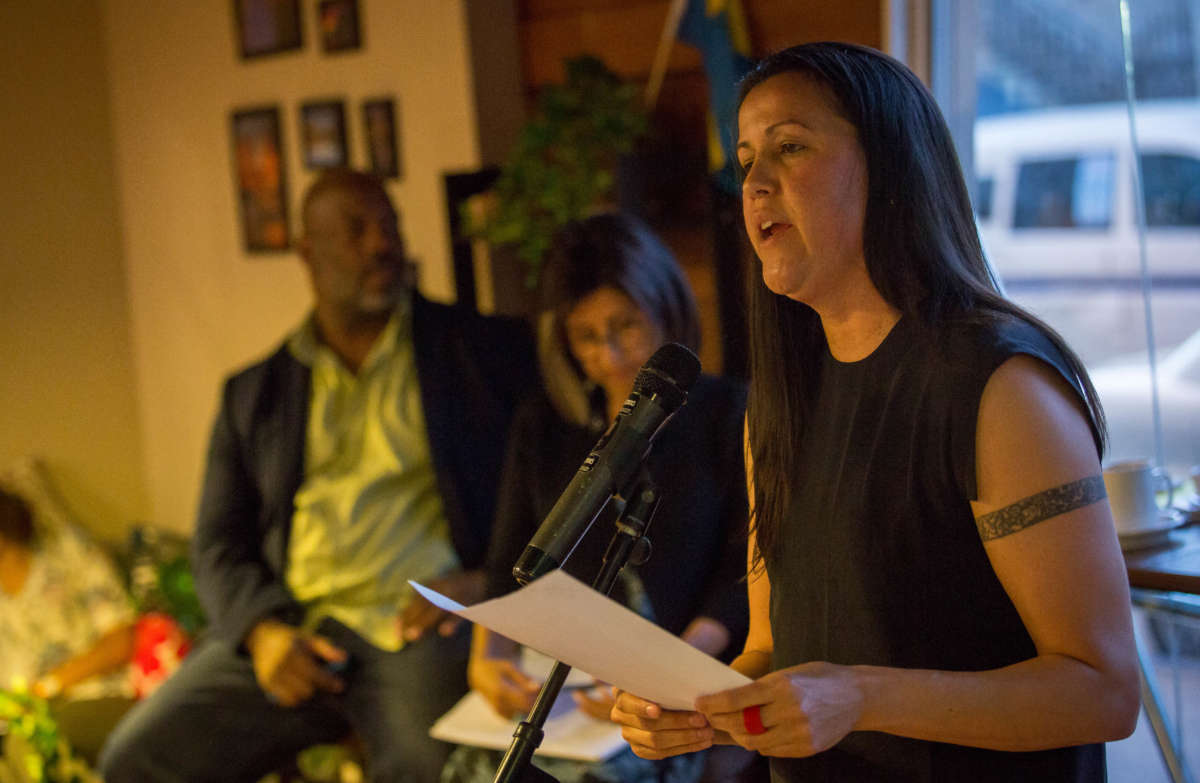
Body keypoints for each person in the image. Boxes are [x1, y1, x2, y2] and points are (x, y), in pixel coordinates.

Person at [610, 42, 1139, 782]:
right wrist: (699, 706)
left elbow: (1105, 691)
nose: (755, 183)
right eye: (746, 157)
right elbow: (770, 648)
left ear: (891, 170)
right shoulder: (780, 397)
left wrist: (861, 695)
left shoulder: (1001, 385)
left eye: (790, 147)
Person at [99, 168, 536, 783]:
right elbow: (217, 544)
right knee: (137, 758)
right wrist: (261, 633)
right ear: (308, 253)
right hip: (296, 627)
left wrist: (484, 582)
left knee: (436, 768)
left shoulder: (481, 353)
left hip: (415, 624)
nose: (381, 245)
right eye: (356, 231)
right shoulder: (255, 394)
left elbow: (550, 492)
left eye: (389, 226)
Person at [445, 213, 752, 783]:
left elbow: (746, 571)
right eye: (586, 337)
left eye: (625, 326)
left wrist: (664, 670)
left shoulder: (728, 413)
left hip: (681, 679)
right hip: (569, 688)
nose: (609, 355)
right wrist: (486, 660)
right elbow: (512, 558)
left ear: (666, 311)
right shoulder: (545, 424)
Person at [0, 486, 137, 763]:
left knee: (30, 749)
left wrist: (46, 688)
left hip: (89, 699)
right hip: (14, 725)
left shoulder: (66, 551)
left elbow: (119, 641)